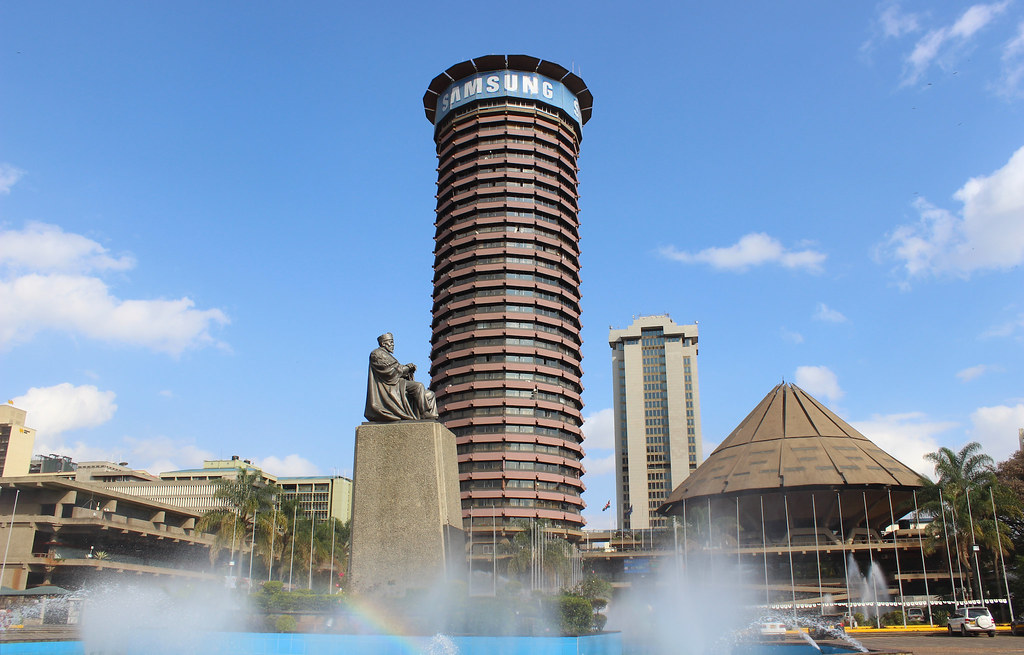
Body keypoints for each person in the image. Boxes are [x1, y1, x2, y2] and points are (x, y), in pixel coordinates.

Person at [364, 332, 438, 421]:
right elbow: (390, 371)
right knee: (418, 386)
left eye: (392, 342)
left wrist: (408, 369)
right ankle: (424, 412)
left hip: (398, 383)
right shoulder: (377, 354)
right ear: (383, 343)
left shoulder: (387, 355)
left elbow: (397, 369)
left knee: (430, 394)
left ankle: (431, 417)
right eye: (390, 342)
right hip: (389, 386)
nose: (392, 345)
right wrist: (406, 368)